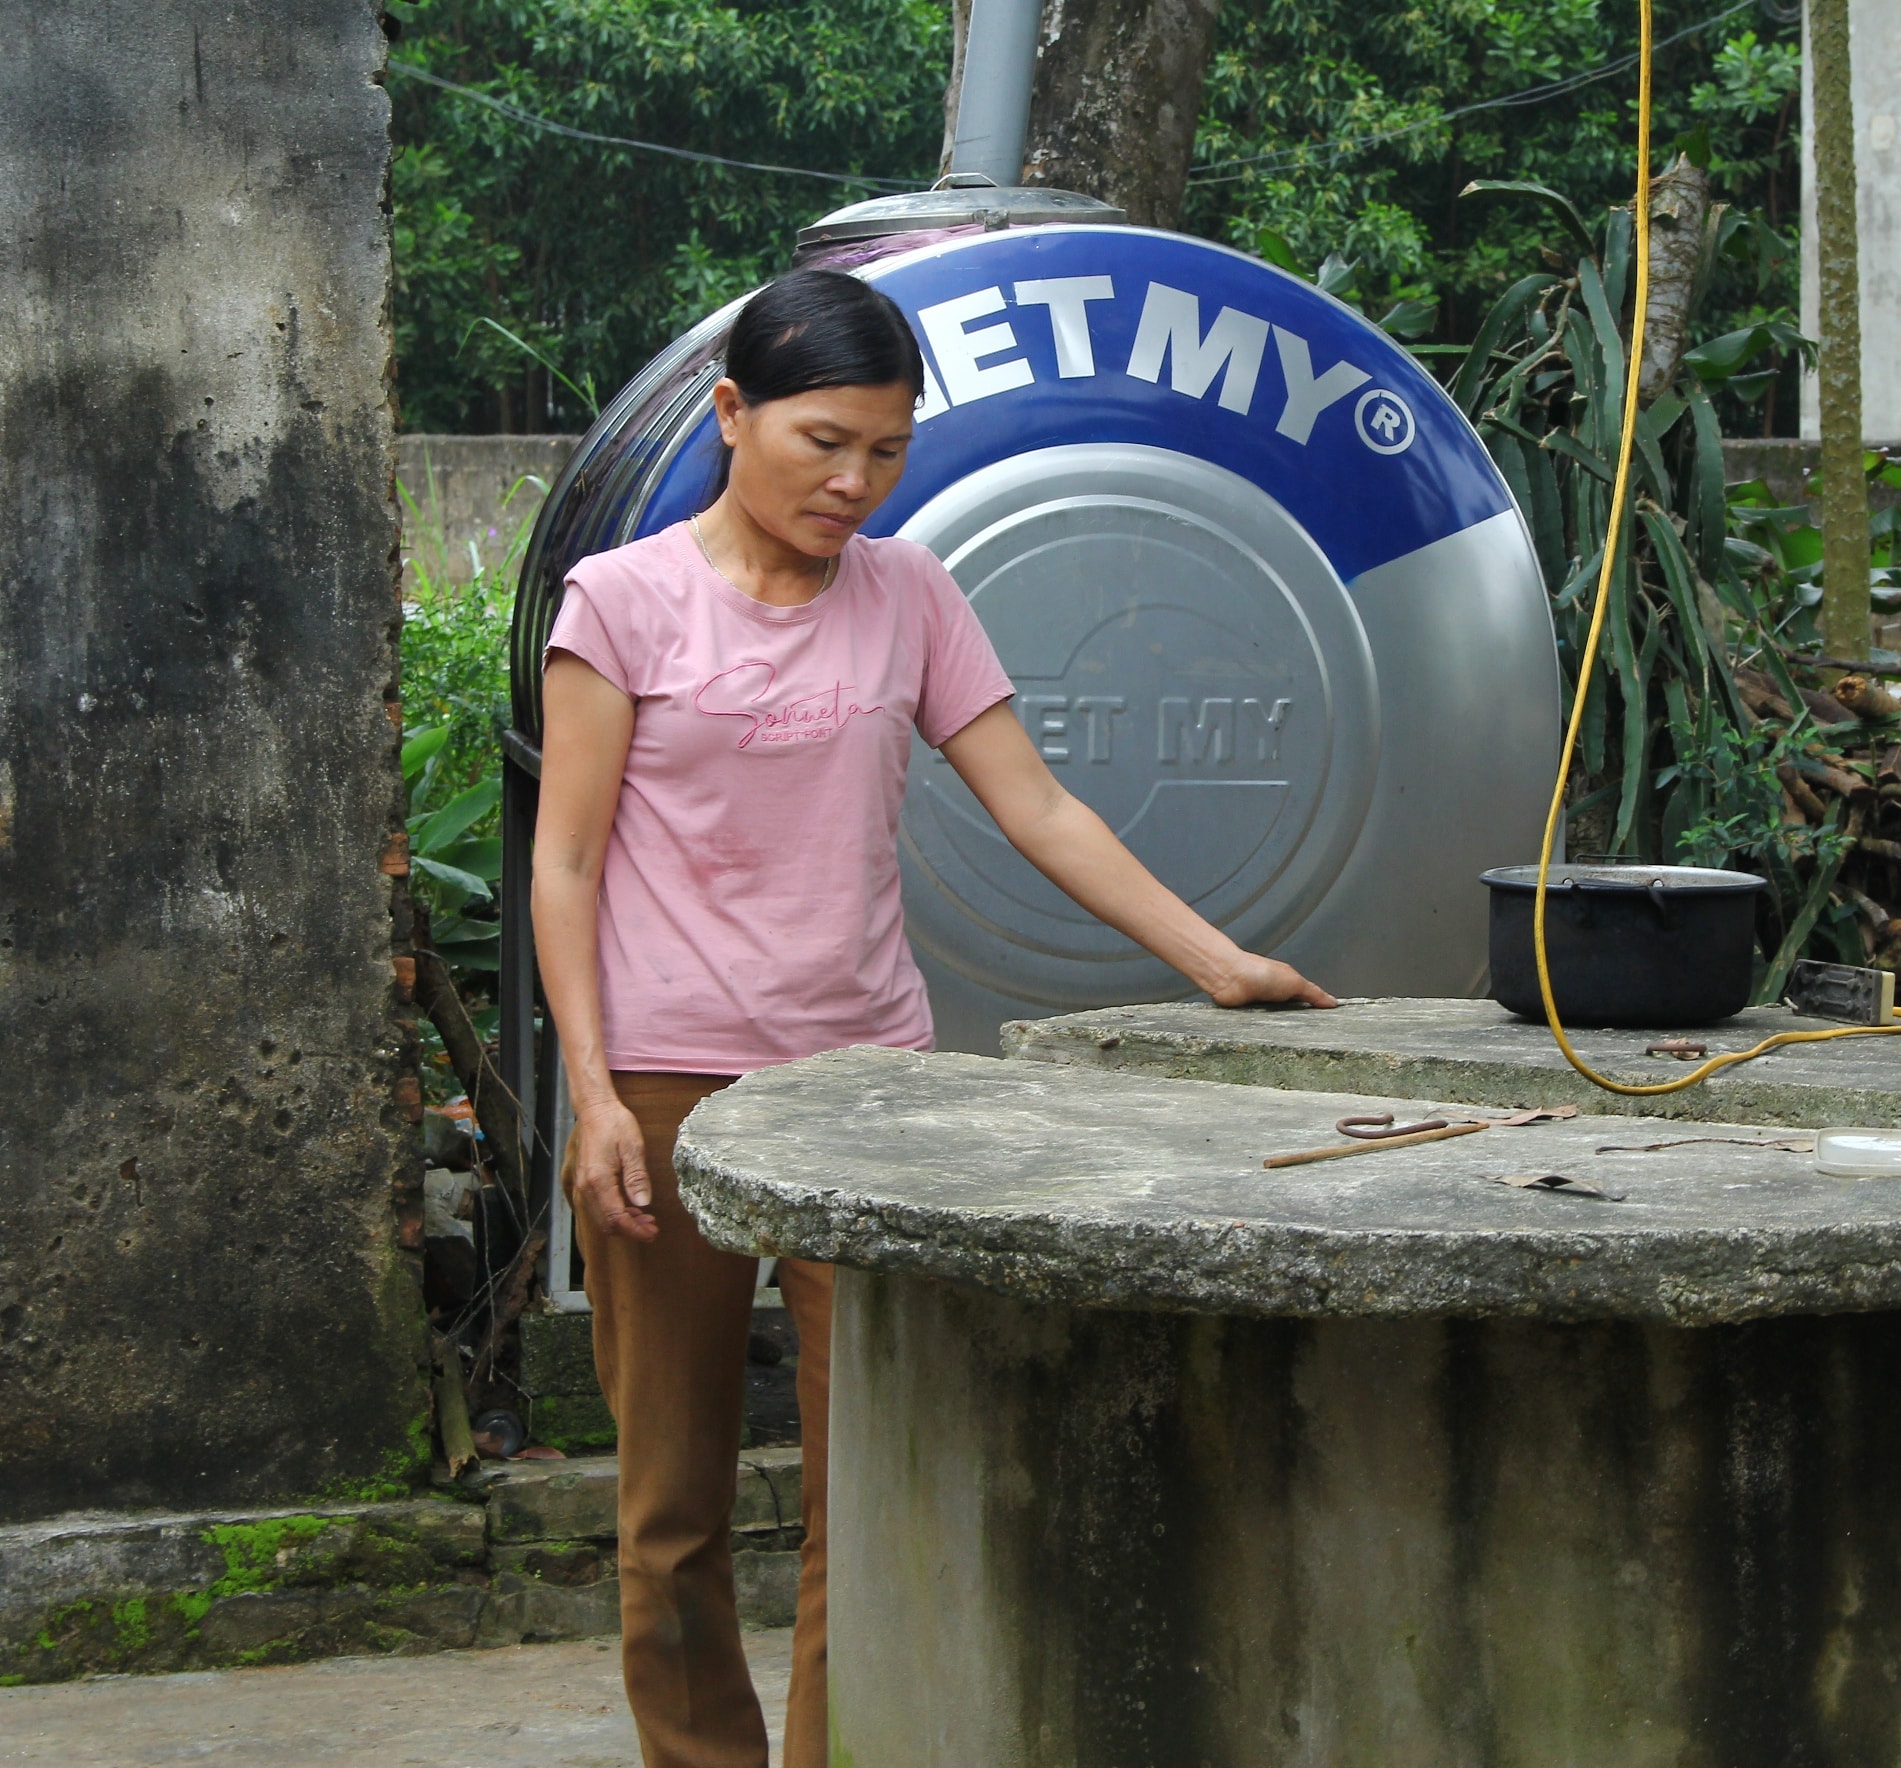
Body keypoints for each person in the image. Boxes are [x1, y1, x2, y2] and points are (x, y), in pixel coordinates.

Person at [531, 268, 1335, 1768]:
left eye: (888, 452)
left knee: (879, 1499)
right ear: (730, 415)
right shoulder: (624, 604)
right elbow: (564, 862)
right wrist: (588, 1095)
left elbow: (1038, 804)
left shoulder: (912, 593)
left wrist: (1220, 962)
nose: (854, 482)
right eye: (823, 442)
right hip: (660, 1093)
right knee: (670, 1507)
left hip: (868, 1099)